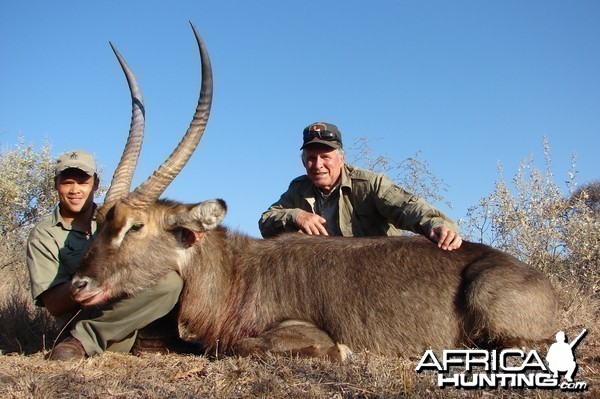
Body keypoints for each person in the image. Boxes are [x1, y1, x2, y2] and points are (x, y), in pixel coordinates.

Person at [26, 150, 198, 360]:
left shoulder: (112, 219)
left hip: (126, 309)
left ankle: (156, 341)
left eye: (83, 182)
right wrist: (92, 281)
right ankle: (81, 341)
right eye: (67, 182)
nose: (75, 190)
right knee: (167, 283)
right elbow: (53, 304)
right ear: (56, 184)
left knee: (169, 272)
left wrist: (183, 234)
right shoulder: (44, 234)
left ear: (95, 185)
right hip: (85, 317)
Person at [259, 122, 462, 250]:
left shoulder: (370, 184)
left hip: (376, 272)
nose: (318, 165)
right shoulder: (298, 189)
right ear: (303, 162)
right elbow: (266, 222)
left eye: (326, 157)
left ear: (342, 158)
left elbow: (407, 207)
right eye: (311, 158)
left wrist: (436, 225)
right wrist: (296, 216)